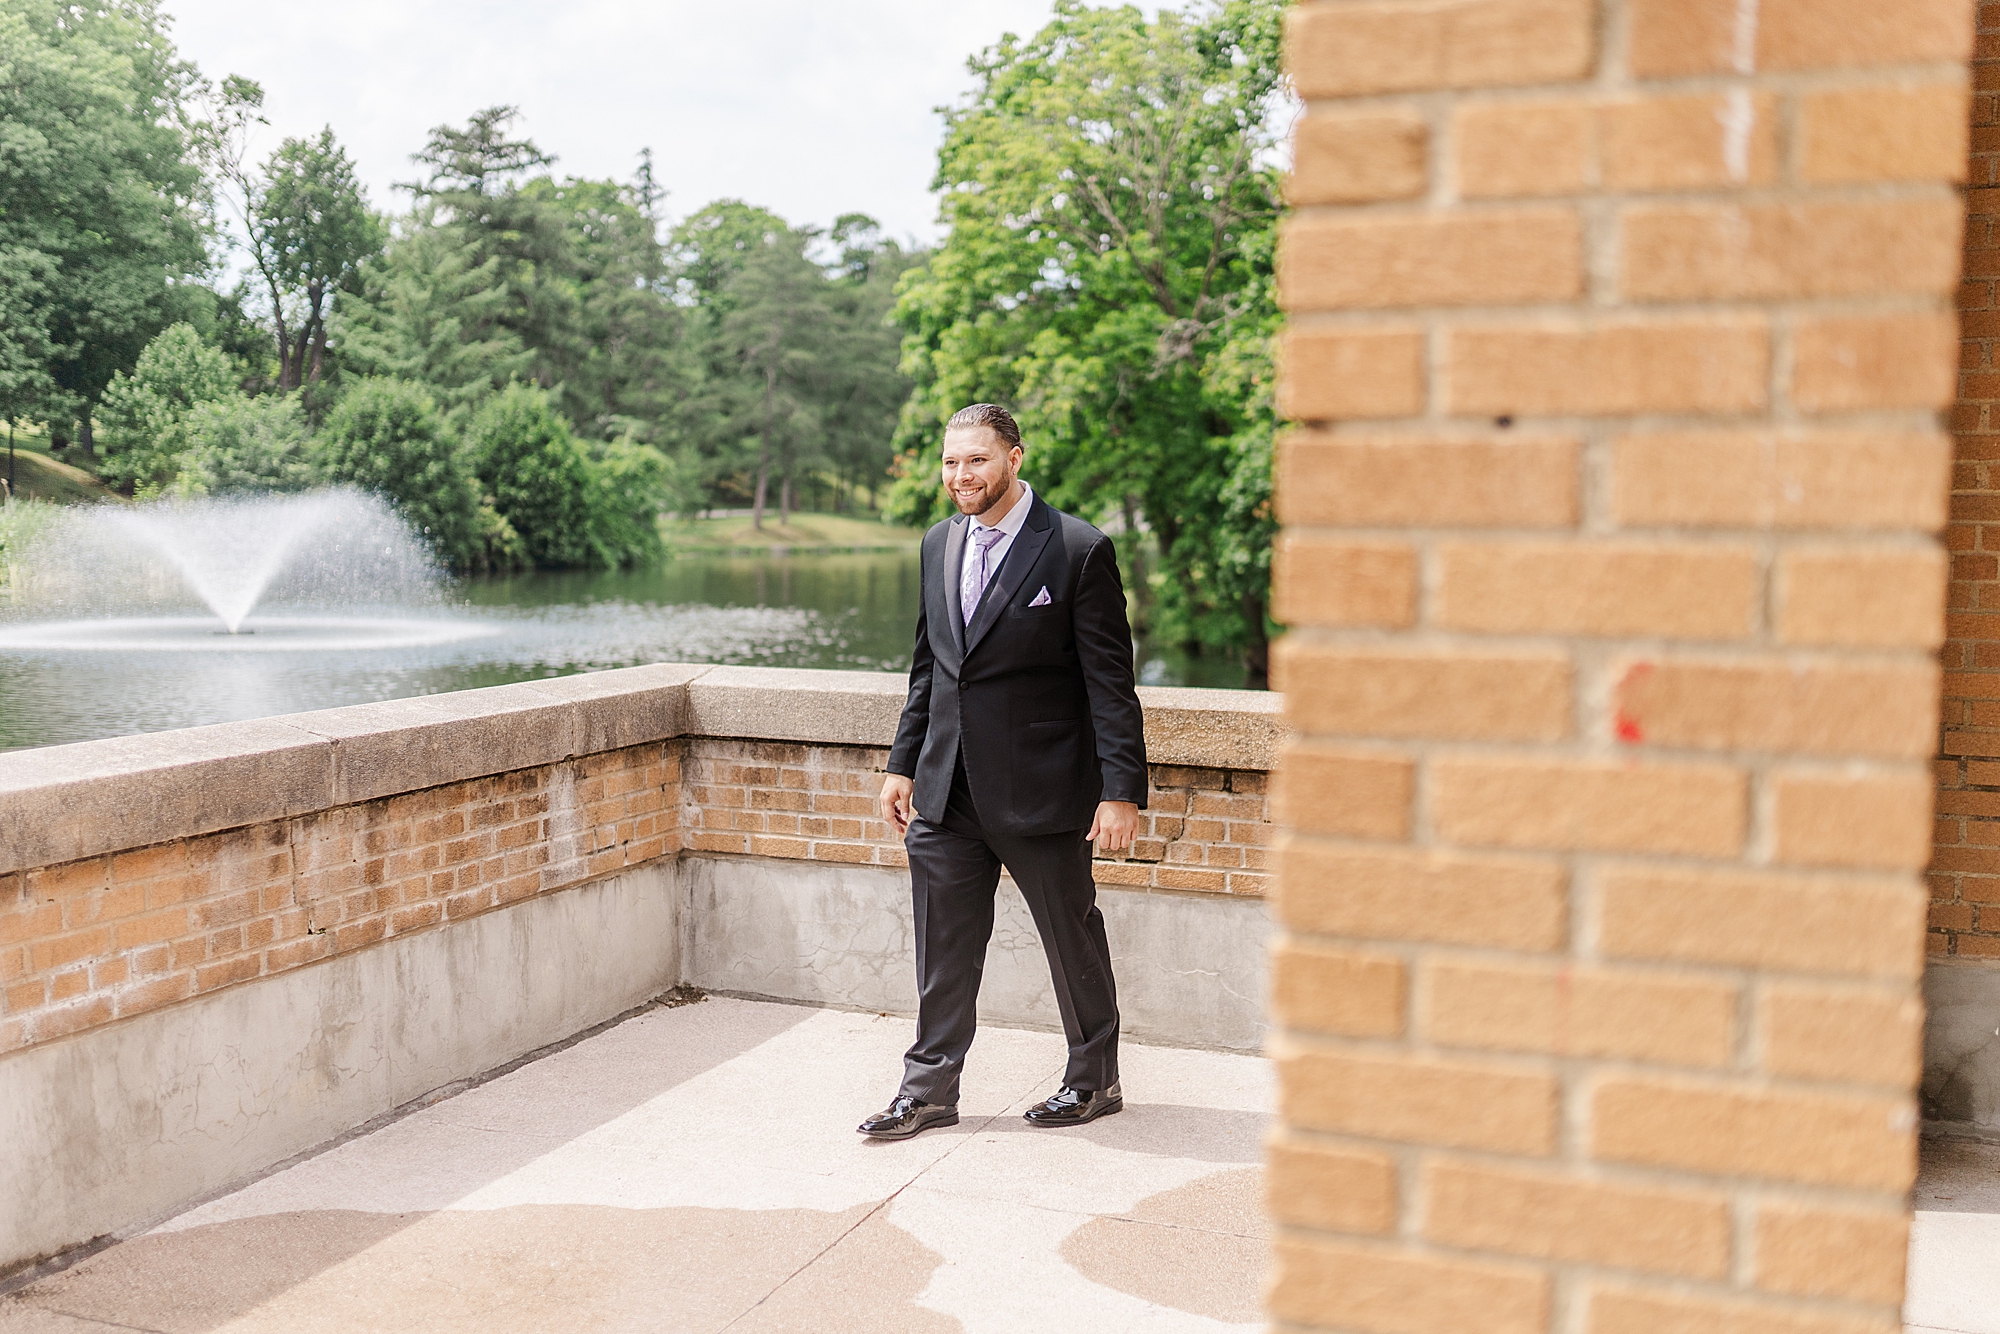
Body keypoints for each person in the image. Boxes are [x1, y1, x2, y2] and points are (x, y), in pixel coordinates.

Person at [859, 403, 1147, 1141]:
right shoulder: (937, 544)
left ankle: (1095, 1079)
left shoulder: (1078, 549)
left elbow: (1109, 687)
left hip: (1046, 790)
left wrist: (1120, 791)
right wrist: (902, 763)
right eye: (952, 462)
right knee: (942, 948)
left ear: (1015, 458)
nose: (961, 476)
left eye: (977, 460)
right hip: (946, 788)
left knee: (1070, 940)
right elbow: (930, 666)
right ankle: (927, 1090)